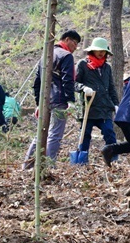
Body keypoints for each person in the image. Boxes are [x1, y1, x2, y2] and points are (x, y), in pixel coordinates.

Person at [23, 30, 81, 168]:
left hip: (45, 100)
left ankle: (26, 167)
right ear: (67, 39)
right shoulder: (66, 56)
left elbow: (37, 82)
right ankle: (48, 167)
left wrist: (38, 103)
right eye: (75, 43)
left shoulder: (45, 56)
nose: (76, 47)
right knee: (54, 134)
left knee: (39, 135)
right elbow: (68, 80)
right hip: (59, 100)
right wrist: (70, 101)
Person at [74, 37, 119, 157]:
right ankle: (81, 159)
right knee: (85, 135)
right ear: (92, 50)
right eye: (98, 50)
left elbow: (111, 88)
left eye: (103, 51)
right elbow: (74, 83)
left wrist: (116, 104)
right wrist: (83, 88)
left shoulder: (107, 67)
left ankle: (113, 158)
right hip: (88, 106)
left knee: (109, 132)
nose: (101, 53)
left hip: (104, 106)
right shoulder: (82, 64)